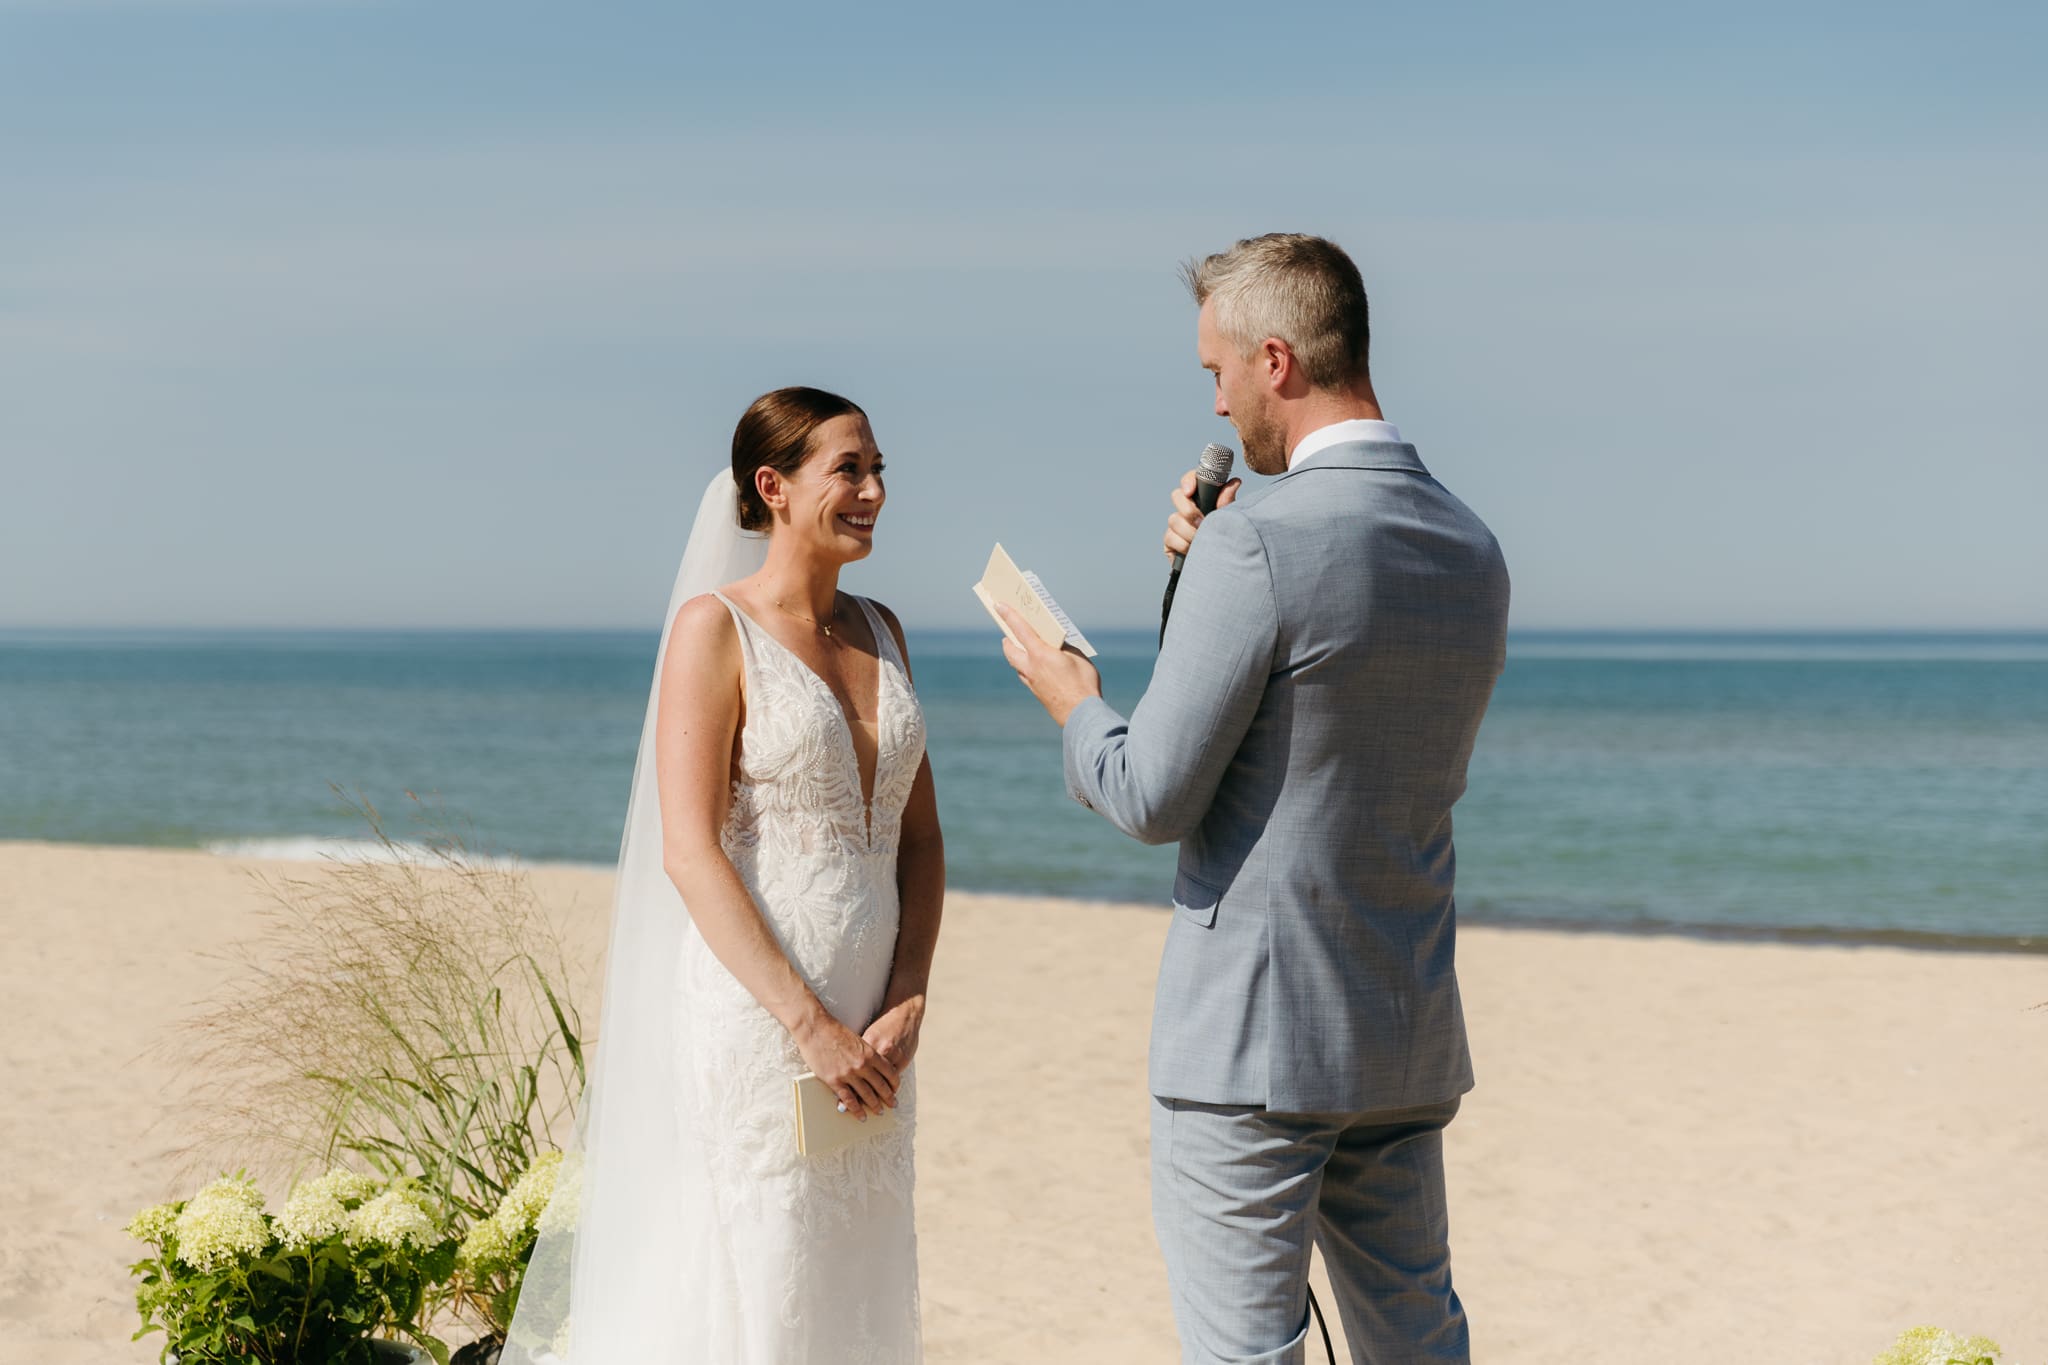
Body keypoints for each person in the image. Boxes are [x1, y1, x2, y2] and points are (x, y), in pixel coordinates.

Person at [997, 233, 1509, 1364]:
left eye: (1215, 373)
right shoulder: (1473, 547)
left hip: (1250, 1048)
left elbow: (1152, 792)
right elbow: (1317, 736)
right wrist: (1200, 575)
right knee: (1415, 1344)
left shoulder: (1258, 542)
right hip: (1397, 1029)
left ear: (1273, 360)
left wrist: (1071, 698)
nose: (1218, 403)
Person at [510, 387, 943, 1364]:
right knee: (764, 1258)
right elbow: (688, 850)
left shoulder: (884, 631)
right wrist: (810, 1028)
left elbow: (917, 839)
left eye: (878, 472)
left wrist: (907, 998)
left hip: (877, 1022)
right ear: (772, 487)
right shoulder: (715, 629)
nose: (874, 490)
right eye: (849, 470)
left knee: (853, 1259)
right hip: (764, 1020)